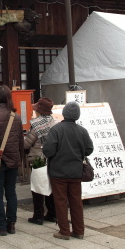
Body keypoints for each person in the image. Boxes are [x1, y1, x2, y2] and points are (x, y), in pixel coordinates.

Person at [43, 101, 94, 240]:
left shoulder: (56, 130)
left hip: (58, 171)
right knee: (76, 202)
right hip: (76, 171)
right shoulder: (82, 131)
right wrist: (79, 152)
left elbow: (48, 150)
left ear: (64, 114)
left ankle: (64, 231)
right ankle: (79, 231)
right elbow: (89, 149)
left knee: (60, 201)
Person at [0, 85, 24, 236]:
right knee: (11, 193)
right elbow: (20, 141)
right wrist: (19, 159)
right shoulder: (17, 116)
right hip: (13, 160)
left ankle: (1, 225)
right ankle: (11, 224)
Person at [25, 96, 57, 225]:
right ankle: (52, 213)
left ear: (39, 111)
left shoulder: (36, 124)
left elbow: (27, 144)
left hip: (39, 160)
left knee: (38, 187)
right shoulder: (54, 122)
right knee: (50, 186)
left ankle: (38, 215)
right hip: (52, 159)